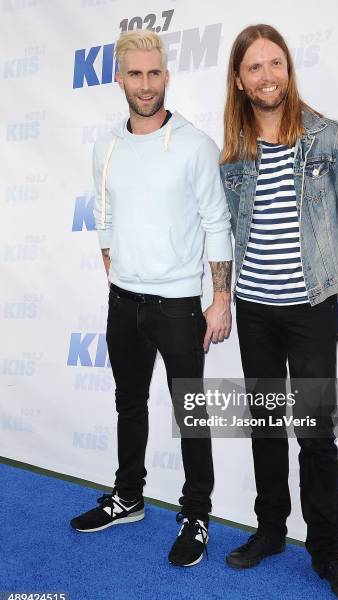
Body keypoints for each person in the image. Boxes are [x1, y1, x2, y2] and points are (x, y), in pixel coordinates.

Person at [70, 30, 233, 568]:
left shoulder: (194, 145)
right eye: (135, 74)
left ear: (167, 76)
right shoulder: (107, 145)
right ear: (119, 78)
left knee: (191, 413)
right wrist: (113, 268)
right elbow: (105, 213)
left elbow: (216, 222)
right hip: (124, 304)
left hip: (180, 306)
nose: (145, 85)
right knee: (128, 404)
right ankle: (129, 497)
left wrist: (219, 297)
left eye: (154, 74)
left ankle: (197, 514)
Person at [219, 24, 338, 600]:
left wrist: (323, 273)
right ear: (239, 79)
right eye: (253, 67)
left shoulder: (327, 137)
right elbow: (230, 230)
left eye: (274, 63)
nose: (266, 76)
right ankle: (271, 531)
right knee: (264, 426)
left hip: (310, 309)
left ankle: (325, 552)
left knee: (315, 433)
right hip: (254, 308)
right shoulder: (235, 151)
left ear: (289, 67)